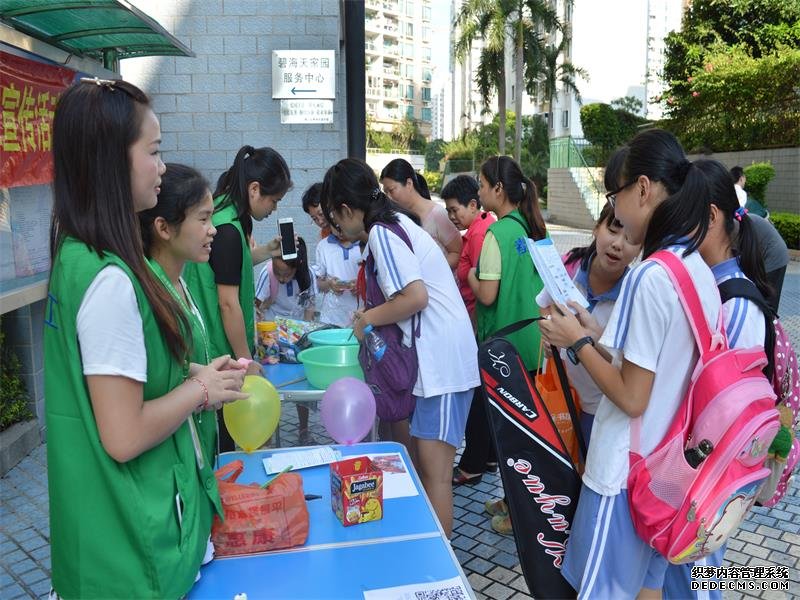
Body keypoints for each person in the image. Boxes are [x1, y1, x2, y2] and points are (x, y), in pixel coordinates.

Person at [45, 78, 247, 598]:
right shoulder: (110, 279)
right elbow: (124, 434)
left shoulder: (77, 255)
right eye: (153, 151)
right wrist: (198, 392)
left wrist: (192, 375)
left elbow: (113, 391)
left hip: (104, 541)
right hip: (130, 555)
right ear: (112, 159)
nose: (161, 165)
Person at [539, 128, 719, 598]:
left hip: (623, 473)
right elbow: (658, 367)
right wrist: (593, 334)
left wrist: (576, 341)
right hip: (666, 474)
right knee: (647, 591)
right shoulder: (695, 268)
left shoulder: (649, 274)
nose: (615, 211)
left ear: (641, 188)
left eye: (614, 196)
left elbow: (632, 396)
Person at [321, 158, 479, 537]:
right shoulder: (393, 224)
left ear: (347, 209)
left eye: (334, 219)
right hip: (434, 363)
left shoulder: (382, 233)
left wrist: (368, 319)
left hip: (444, 364)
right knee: (427, 467)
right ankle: (427, 547)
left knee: (436, 472)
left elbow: (415, 297)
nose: (335, 228)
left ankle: (441, 567)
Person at [662, 158, 773, 600]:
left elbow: (727, 415)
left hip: (707, 479)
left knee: (700, 576)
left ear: (709, 217)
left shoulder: (736, 307)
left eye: (682, 216)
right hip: (695, 475)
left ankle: (769, 578)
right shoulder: (710, 287)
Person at [453, 156, 546, 528]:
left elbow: (487, 296)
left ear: (497, 190)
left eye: (481, 184)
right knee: (527, 433)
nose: (477, 191)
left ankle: (520, 513)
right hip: (535, 345)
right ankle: (514, 501)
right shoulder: (534, 228)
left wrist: (473, 274)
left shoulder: (497, 234)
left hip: (505, 351)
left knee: (512, 436)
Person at [184, 145, 292, 451]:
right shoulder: (228, 231)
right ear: (254, 189)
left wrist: (266, 252)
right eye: (274, 200)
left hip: (207, 350)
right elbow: (228, 302)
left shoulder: (221, 212)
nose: (274, 208)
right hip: (220, 357)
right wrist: (246, 361)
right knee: (227, 448)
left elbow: (228, 268)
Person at [139, 163, 221, 466]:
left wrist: (210, 375)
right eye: (203, 218)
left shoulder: (180, 281)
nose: (212, 229)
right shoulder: (148, 292)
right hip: (171, 459)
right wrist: (203, 385)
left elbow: (174, 365)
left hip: (195, 449)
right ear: (163, 228)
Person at [380, 158, 462, 270]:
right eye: (386, 192)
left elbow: (457, 252)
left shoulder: (437, 214)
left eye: (392, 190)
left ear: (409, 184)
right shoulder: (398, 216)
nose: (388, 197)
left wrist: (430, 271)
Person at [440, 174, 496, 328]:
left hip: (475, 317)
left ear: (472, 205)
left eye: (454, 210)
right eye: (448, 211)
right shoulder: (485, 221)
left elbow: (483, 283)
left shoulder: (478, 235)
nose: (451, 217)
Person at [255, 237, 316, 322]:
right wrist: (260, 314)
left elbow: (310, 306)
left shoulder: (308, 274)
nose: (281, 279)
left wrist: (307, 327)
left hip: (298, 328)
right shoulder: (267, 273)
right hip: (273, 327)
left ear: (297, 267)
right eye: (277, 272)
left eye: (287, 275)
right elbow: (256, 305)